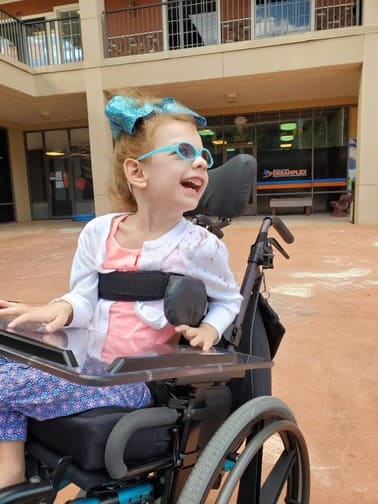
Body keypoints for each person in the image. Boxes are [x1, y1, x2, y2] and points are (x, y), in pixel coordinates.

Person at [0, 89, 242, 488]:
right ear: (137, 172)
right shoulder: (98, 232)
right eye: (183, 151)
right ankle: (10, 474)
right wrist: (59, 308)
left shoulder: (200, 246)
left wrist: (211, 330)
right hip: (83, 367)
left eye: (204, 155)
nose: (200, 160)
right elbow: (83, 296)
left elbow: (228, 299)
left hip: (130, 384)